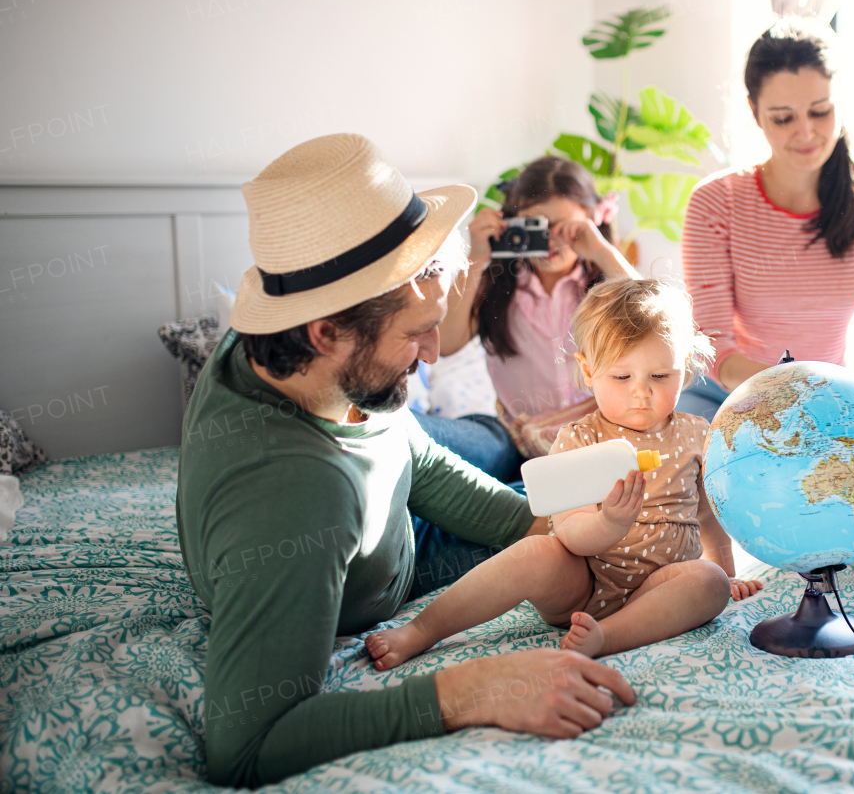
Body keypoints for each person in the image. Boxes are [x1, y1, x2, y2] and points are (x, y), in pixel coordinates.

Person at [175, 134, 634, 788]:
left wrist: (532, 522)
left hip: (389, 528)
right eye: (415, 334)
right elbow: (244, 746)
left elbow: (410, 451)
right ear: (324, 331)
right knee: (573, 560)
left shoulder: (288, 342)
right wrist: (467, 689)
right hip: (372, 567)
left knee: (578, 514)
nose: (433, 354)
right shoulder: (295, 497)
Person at [365, 278, 764, 670]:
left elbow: (708, 515)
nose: (641, 393)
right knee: (535, 552)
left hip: (661, 588)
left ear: (686, 369)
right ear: (588, 371)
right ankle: (420, 631)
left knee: (707, 582)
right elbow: (569, 533)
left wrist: (727, 572)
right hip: (585, 586)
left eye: (660, 376)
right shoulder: (580, 437)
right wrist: (609, 522)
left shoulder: (697, 433)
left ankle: (606, 638)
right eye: (622, 377)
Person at [679, 16, 854, 421]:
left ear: (839, 103)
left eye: (820, 111)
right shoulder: (716, 202)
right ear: (754, 112)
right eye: (783, 117)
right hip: (728, 399)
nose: (806, 132)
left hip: (824, 404)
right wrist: (798, 389)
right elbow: (714, 349)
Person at [420, 156, 639, 481]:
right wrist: (477, 257)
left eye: (562, 228)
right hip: (518, 443)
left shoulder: (606, 285)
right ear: (511, 225)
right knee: (432, 438)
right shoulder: (496, 286)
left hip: (601, 434)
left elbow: (654, 318)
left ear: (592, 219)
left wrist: (602, 252)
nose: (548, 240)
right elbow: (448, 345)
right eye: (535, 227)